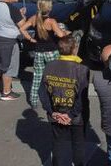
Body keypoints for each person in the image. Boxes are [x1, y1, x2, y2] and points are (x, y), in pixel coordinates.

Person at [39, 35, 90, 166]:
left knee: (58, 144)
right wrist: (70, 114)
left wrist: (52, 112)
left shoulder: (49, 66)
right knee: (78, 144)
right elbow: (81, 98)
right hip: (77, 116)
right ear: (74, 50)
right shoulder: (82, 69)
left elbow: (42, 92)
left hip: (56, 113)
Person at [19, 0, 67, 108]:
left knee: (37, 77)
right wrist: (65, 32)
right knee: (55, 77)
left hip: (39, 51)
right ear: (49, 8)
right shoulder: (51, 21)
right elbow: (60, 35)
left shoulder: (34, 18)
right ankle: (56, 100)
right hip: (52, 51)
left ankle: (33, 101)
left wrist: (31, 39)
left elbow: (21, 29)